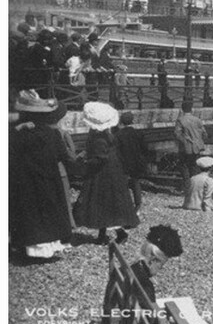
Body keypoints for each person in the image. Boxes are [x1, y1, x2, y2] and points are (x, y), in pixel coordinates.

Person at [9, 90, 75, 260]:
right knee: (50, 211)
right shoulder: (51, 133)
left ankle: (31, 249)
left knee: (30, 212)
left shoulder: (18, 133)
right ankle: (50, 247)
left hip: (26, 179)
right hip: (49, 177)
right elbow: (61, 154)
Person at [73, 102, 140, 245]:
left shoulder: (98, 138)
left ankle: (117, 233)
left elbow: (100, 159)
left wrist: (85, 162)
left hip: (103, 175)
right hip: (112, 174)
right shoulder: (107, 135)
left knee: (103, 203)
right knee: (106, 204)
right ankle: (104, 234)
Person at [114, 111, 150, 212]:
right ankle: (138, 205)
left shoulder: (118, 135)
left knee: (123, 183)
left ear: (121, 122)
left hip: (124, 162)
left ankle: (125, 205)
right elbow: (145, 149)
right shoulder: (139, 133)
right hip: (136, 161)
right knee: (135, 182)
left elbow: (116, 150)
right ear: (132, 121)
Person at [174, 101, 208, 191]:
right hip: (197, 147)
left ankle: (187, 185)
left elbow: (177, 134)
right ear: (191, 109)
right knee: (194, 166)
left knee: (183, 165)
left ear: (182, 109)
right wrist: (199, 141)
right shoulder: (197, 119)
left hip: (186, 148)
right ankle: (195, 186)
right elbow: (204, 134)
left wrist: (185, 141)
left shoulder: (180, 120)